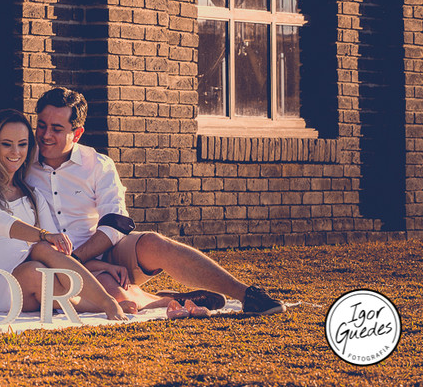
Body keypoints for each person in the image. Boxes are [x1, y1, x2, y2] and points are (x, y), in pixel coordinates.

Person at [24, 86, 287, 316]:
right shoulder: (22, 163)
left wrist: (84, 259)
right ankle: (167, 300)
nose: (45, 135)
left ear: (77, 133)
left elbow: (116, 223)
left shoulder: (98, 165)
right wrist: (82, 266)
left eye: (56, 129)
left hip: (101, 252)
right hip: (53, 263)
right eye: (41, 125)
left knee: (153, 242)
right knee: (116, 299)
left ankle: (246, 295)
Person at [0, 109, 128, 321]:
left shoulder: (32, 195)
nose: (15, 152)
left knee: (44, 256)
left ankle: (106, 302)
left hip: (31, 275)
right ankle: (101, 304)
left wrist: (103, 266)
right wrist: (43, 235)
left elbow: (59, 253)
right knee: (38, 264)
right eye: (6, 144)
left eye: (23, 144)